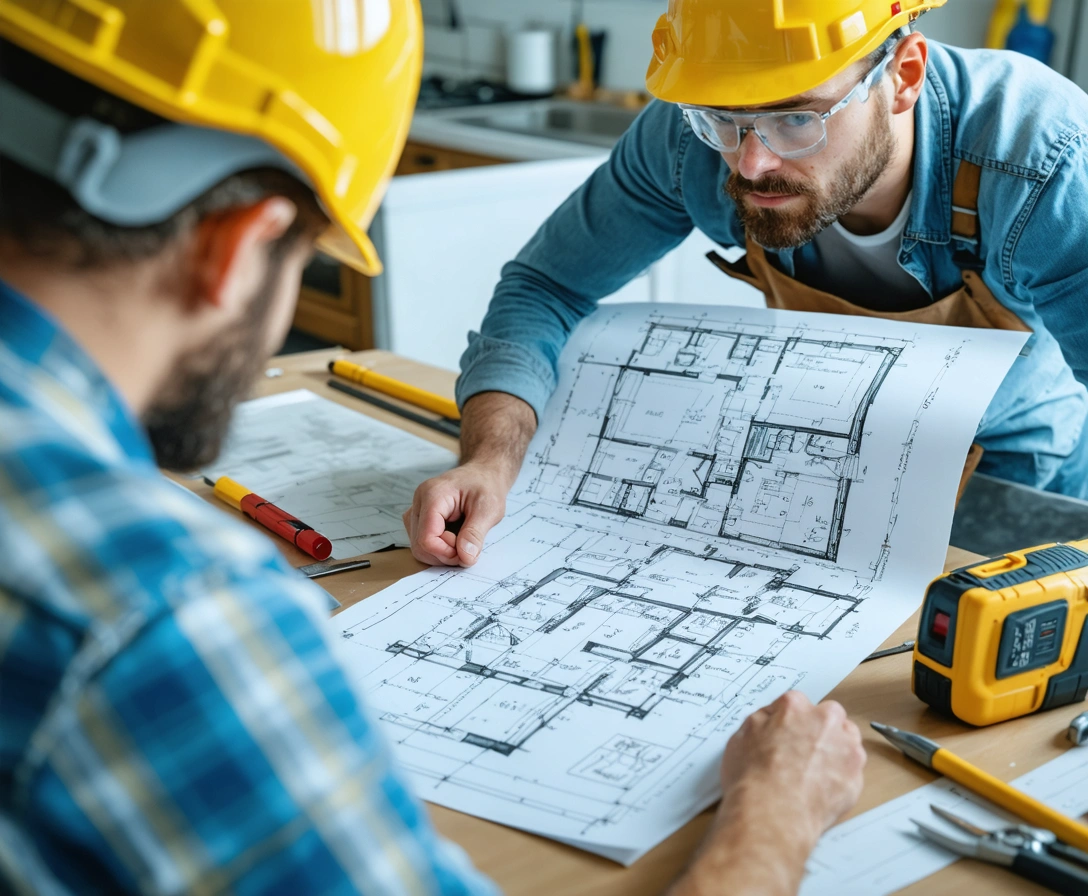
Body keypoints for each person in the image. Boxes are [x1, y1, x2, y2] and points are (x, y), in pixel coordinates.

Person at [0, 3, 864, 894]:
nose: (750, 158)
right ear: (237, 249)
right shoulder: (162, 612)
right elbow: (545, 285)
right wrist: (775, 813)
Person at [405, 0, 1088, 571]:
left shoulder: (1041, 156)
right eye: (724, 119)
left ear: (904, 75)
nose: (752, 162)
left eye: (797, 118)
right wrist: (489, 461)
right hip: (832, 463)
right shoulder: (690, 143)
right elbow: (546, 286)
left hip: (1014, 480)